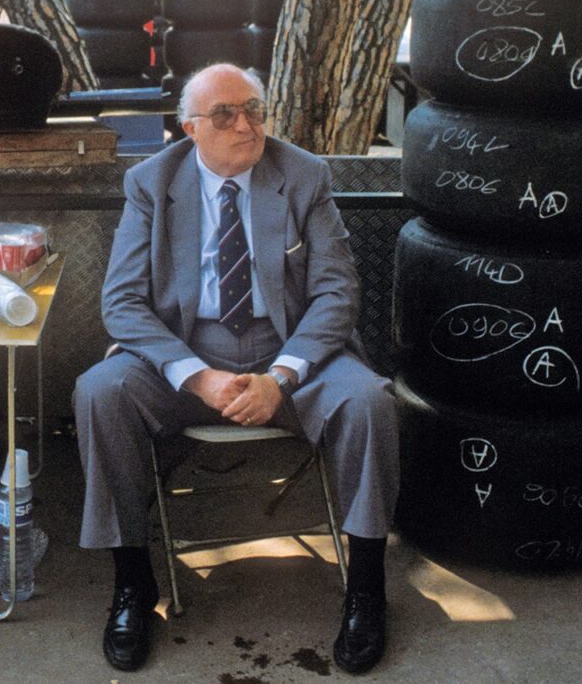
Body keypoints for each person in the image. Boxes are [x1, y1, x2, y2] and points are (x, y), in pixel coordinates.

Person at [74, 64, 398, 674]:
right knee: (99, 392)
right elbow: (122, 303)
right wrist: (197, 376)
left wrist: (281, 379)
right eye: (225, 114)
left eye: (254, 108)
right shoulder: (152, 183)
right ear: (190, 127)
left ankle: (368, 588)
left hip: (292, 354)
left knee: (369, 401)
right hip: (188, 356)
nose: (245, 125)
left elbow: (336, 293)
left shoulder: (303, 175)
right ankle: (133, 583)